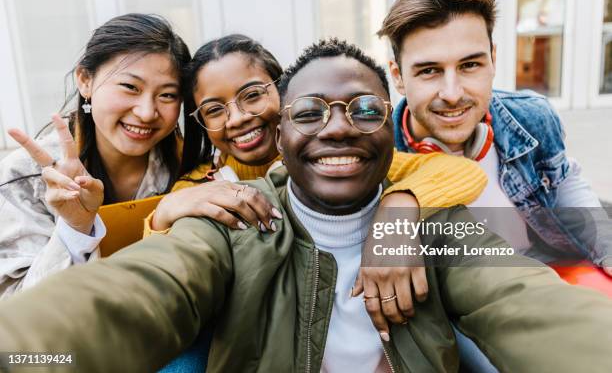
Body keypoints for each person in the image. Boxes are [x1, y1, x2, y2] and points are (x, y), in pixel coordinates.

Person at [1, 39, 611, 373]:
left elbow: (526, 300)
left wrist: (399, 215)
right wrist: (22, 352)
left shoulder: (428, 208)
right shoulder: (225, 209)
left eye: (366, 110)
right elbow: (141, 293)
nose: (338, 128)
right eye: (313, 112)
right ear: (287, 129)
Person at [143, 34, 487, 338]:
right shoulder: (200, 184)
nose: (237, 118)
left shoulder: (339, 161)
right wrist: (162, 216)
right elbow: (169, 271)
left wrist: (398, 209)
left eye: (251, 95)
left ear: (286, 91)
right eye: (214, 110)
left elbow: (460, 171)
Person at [378, 0, 612, 275]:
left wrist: (606, 246)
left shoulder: (532, 117)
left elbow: (565, 182)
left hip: (543, 268)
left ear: (493, 59)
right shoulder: (378, 154)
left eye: (470, 65)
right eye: (429, 70)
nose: (452, 94)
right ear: (397, 76)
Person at [0, 13, 190, 298]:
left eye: (167, 95)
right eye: (130, 87)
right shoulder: (26, 174)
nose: (147, 112)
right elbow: (16, 308)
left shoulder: (188, 165)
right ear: (85, 80)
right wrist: (75, 228)